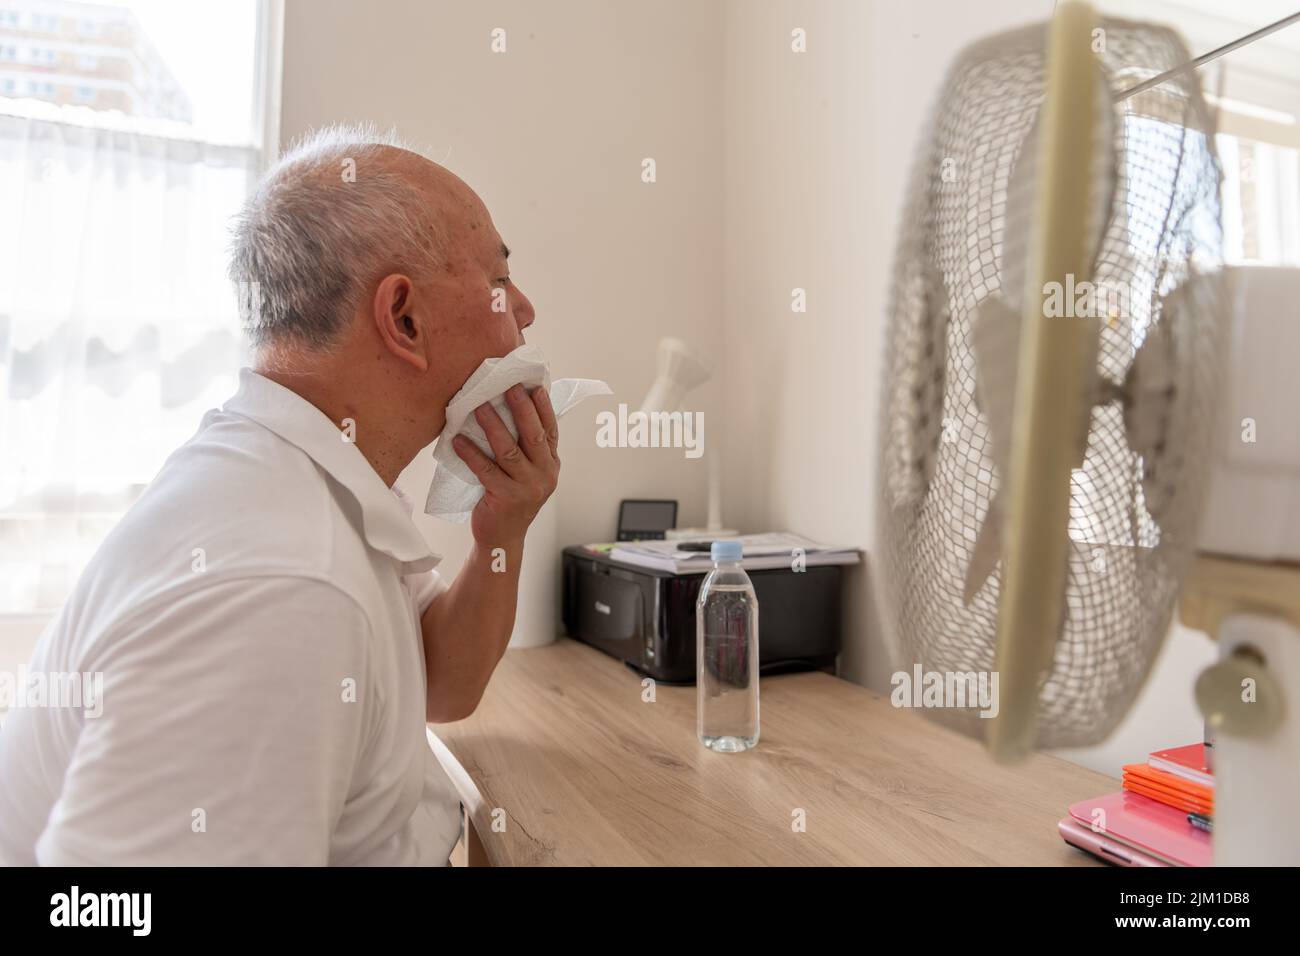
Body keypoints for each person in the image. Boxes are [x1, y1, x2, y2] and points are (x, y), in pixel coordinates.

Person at [0, 125, 556, 865]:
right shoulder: (282, 583)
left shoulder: (307, 480)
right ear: (404, 318)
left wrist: (502, 535)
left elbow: (439, 687)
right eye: (497, 280)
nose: (524, 310)